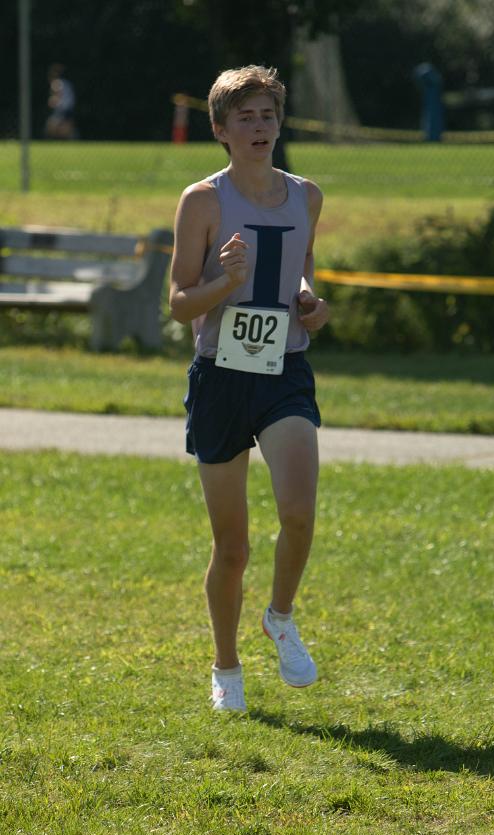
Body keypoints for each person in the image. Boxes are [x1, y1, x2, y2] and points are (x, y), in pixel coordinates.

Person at [169, 65, 329, 712]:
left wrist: (311, 302)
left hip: (284, 370)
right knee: (232, 548)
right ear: (221, 130)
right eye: (246, 118)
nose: (260, 127)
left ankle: (280, 617)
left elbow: (302, 271)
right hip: (221, 376)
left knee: (299, 512)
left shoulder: (306, 195)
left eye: (268, 116)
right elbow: (180, 303)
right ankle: (226, 667)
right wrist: (225, 283)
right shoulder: (203, 201)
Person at [45, 64, 77, 140]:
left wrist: (51, 102)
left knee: (51, 127)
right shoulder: (67, 83)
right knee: (65, 128)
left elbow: (55, 99)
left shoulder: (56, 83)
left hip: (62, 109)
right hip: (69, 109)